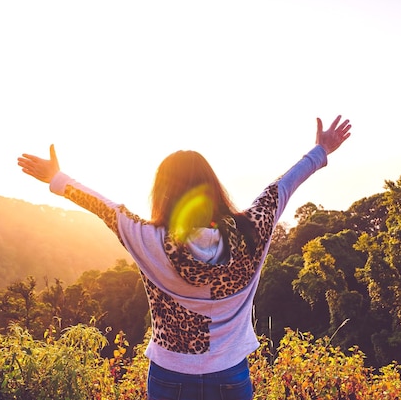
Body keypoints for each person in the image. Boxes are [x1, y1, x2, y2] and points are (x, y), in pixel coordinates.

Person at [17, 115, 351, 400]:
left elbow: (106, 208)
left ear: (164, 193)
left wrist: (58, 179)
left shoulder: (150, 240)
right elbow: (283, 186)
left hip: (170, 376)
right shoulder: (252, 231)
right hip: (230, 376)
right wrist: (321, 149)